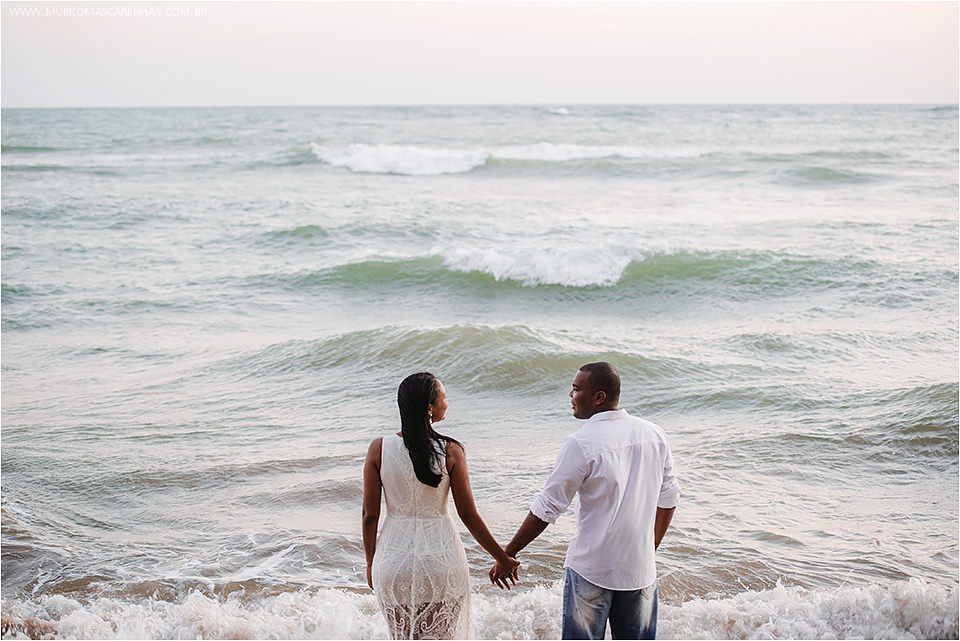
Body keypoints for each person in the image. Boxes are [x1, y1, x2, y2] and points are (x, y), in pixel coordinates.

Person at [490, 362, 679, 640]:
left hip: (592, 572)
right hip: (640, 571)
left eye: (577, 389)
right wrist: (649, 548)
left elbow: (548, 507)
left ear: (599, 397)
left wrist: (509, 553)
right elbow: (669, 497)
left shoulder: (582, 442)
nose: (570, 395)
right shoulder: (654, 434)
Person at [363, 372, 519, 640]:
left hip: (392, 561)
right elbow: (468, 515)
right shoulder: (450, 451)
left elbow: (369, 516)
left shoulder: (378, 448)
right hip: (441, 559)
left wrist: (371, 562)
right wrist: (501, 557)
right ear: (430, 407)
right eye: (444, 397)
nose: (447, 402)